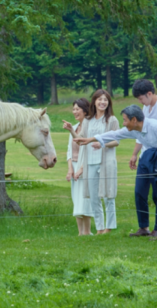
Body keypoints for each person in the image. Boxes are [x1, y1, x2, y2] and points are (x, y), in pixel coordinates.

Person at [75, 105, 157, 242]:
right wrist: (90, 139)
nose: (123, 123)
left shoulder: (155, 126)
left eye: (125, 120)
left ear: (134, 120)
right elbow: (115, 134)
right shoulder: (135, 130)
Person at [64, 89, 120, 235]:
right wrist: (71, 129)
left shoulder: (112, 120)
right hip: (90, 163)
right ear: (94, 101)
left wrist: (103, 144)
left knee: (108, 195)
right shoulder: (88, 121)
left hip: (106, 162)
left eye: (105, 100)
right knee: (94, 197)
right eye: (100, 99)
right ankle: (100, 228)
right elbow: (80, 139)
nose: (103, 102)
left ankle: (109, 227)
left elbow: (116, 141)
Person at [129, 79, 157, 238]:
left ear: (149, 94)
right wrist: (135, 153)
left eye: (141, 98)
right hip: (144, 156)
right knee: (139, 191)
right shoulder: (145, 108)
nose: (140, 102)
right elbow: (141, 133)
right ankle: (143, 227)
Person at [63, 98, 93, 236]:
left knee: (84, 199)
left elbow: (87, 148)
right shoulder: (74, 127)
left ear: (85, 110)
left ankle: (87, 231)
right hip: (74, 166)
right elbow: (70, 149)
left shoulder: (89, 126)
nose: (74, 111)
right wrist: (70, 169)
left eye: (77, 109)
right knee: (76, 199)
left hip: (85, 166)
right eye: (73, 109)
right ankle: (80, 232)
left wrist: (81, 168)